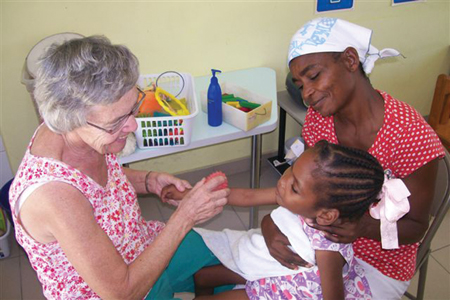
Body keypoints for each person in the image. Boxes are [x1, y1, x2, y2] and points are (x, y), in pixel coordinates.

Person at [8, 36, 230, 300]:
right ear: (70, 120)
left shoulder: (83, 133)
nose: (133, 126)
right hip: (119, 289)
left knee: (230, 261)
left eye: (133, 107)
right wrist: (185, 217)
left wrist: (148, 180)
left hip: (138, 243)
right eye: (116, 122)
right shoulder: (53, 197)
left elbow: (93, 182)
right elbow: (121, 292)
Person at [260, 17, 446, 299]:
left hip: (382, 262)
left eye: (314, 76)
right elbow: (306, 189)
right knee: (250, 278)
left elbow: (416, 229)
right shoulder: (318, 121)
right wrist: (270, 224)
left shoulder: (411, 136)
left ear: (350, 60)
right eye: (299, 84)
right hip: (323, 243)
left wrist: (362, 227)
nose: (307, 94)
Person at [161, 140, 409, 299]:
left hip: (283, 291)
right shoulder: (300, 198)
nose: (282, 181)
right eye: (291, 169)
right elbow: (245, 195)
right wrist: (190, 195)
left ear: (326, 215)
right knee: (202, 277)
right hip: (271, 268)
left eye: (295, 186)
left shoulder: (329, 248)